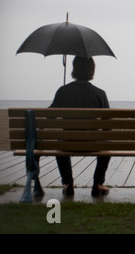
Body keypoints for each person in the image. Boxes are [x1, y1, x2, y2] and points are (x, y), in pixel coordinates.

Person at [50, 56, 110, 197]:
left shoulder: (63, 91)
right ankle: (98, 183)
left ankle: (68, 183)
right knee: (107, 143)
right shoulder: (99, 93)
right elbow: (107, 125)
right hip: (92, 144)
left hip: (68, 143)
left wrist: (62, 95)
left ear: (74, 69)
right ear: (92, 70)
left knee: (59, 143)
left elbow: (49, 117)